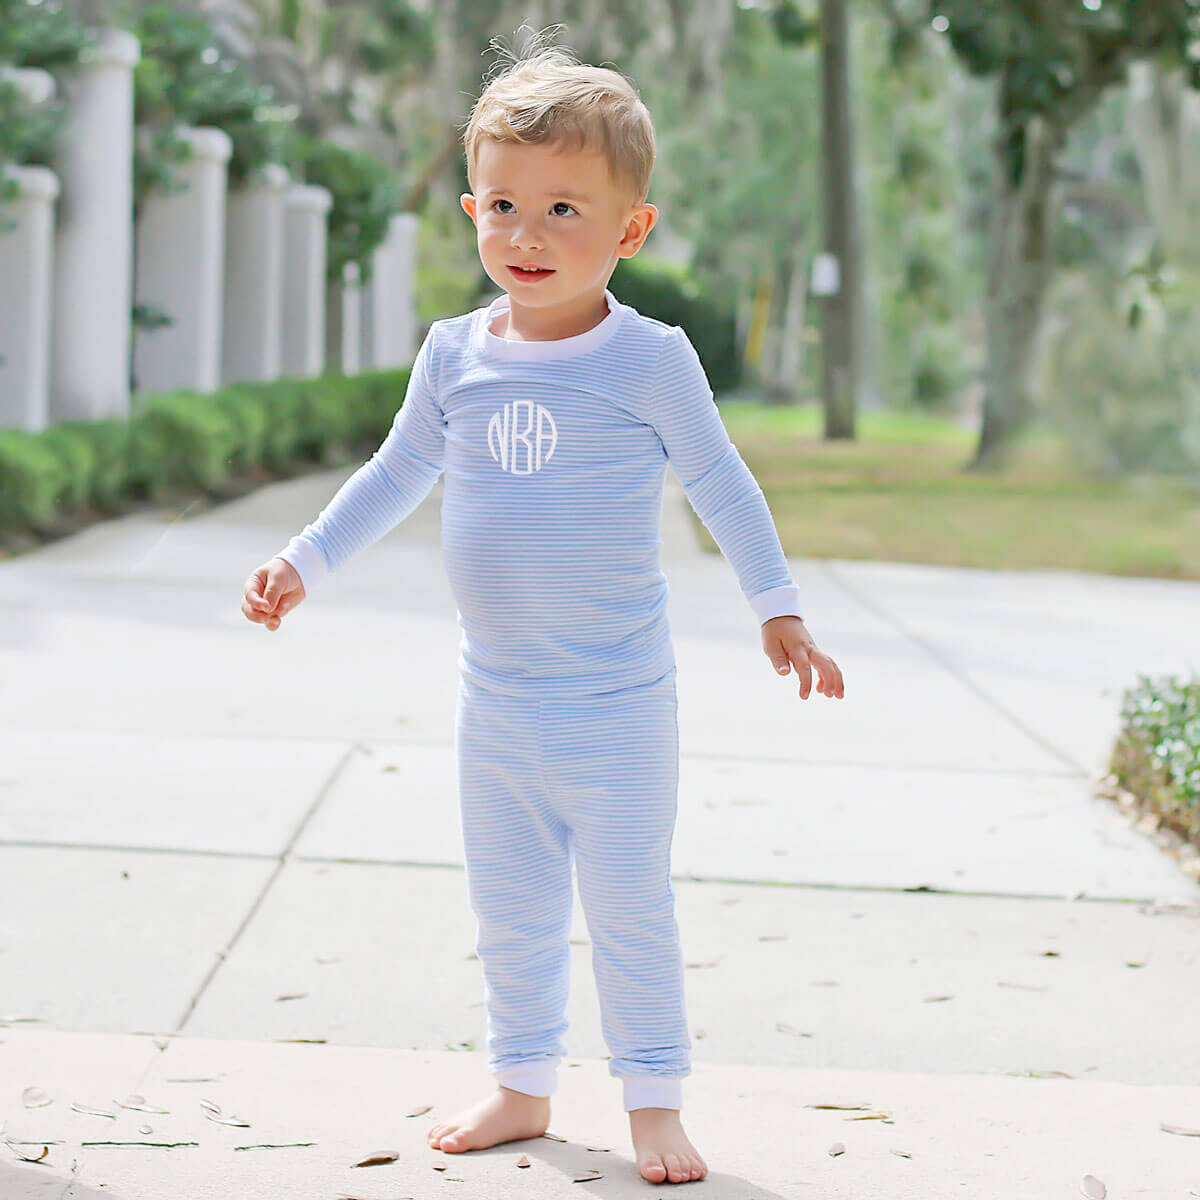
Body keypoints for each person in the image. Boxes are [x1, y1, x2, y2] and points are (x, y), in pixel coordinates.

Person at [241, 33, 845, 1188]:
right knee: (511, 912)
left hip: (617, 708)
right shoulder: (454, 354)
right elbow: (395, 473)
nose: (526, 234)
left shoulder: (651, 361)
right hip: (497, 707)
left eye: (564, 209)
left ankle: (654, 1099)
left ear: (631, 231)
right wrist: (304, 561)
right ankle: (522, 1084)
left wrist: (778, 606)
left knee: (628, 909)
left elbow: (722, 481)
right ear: (472, 206)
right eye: (504, 204)